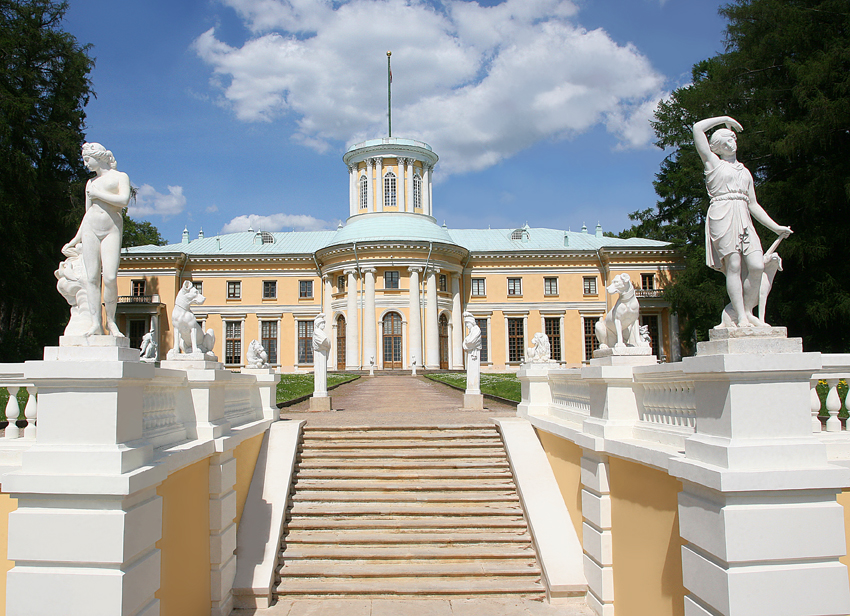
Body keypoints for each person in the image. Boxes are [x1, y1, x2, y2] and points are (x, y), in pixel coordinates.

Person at [693, 116, 792, 328]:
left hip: (744, 216)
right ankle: (741, 317)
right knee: (734, 267)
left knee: (757, 266)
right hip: (722, 213)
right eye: (725, 142)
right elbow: (697, 128)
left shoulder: (745, 172)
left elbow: (753, 204)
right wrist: (724, 119)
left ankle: (747, 311)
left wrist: (776, 227)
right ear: (717, 148)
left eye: (732, 139)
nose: (731, 144)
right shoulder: (713, 163)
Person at [63, 143, 131, 337]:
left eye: (87, 159)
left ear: (98, 157)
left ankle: (111, 322)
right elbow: (87, 214)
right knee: (91, 278)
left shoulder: (120, 177)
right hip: (90, 229)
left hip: (111, 229)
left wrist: (98, 194)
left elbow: (124, 201)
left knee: (109, 277)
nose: (86, 164)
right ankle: (95, 324)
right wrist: (75, 239)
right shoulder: (90, 183)